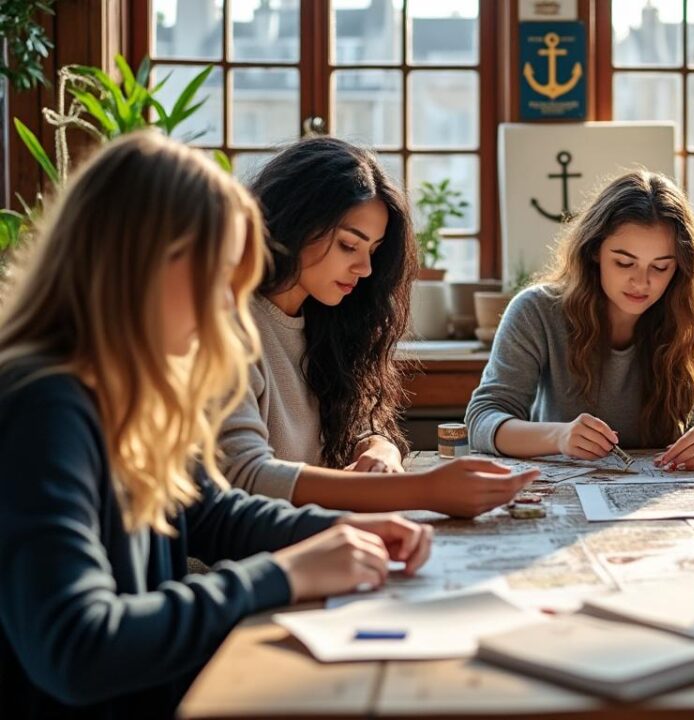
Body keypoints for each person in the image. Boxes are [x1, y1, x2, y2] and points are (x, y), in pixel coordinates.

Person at [0, 132, 436, 716]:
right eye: (218, 279)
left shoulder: (131, 387)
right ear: (142, 263)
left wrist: (340, 533)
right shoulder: (45, 404)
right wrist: (282, 575)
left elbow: (208, 512)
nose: (230, 306)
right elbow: (77, 647)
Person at [221, 137, 535, 516]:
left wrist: (379, 450)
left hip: (318, 545)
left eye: (372, 251)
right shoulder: (226, 326)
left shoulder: (326, 321)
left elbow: (359, 424)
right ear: (294, 223)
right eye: (348, 246)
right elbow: (242, 477)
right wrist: (419, 491)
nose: (366, 269)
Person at [466, 170, 694, 470]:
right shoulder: (536, 311)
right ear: (595, 251)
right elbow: (483, 418)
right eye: (624, 262)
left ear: (679, 267)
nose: (641, 282)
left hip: (662, 498)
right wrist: (558, 436)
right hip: (561, 496)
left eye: (660, 267)